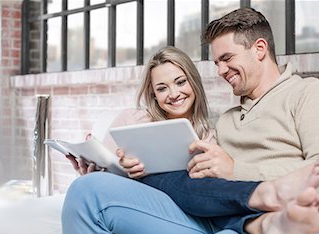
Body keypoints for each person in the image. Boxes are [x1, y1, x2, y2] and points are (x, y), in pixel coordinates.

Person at [61, 9, 319, 234]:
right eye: (217, 62)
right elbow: (207, 188)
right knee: (89, 191)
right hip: (227, 221)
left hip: (296, 230)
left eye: (227, 59)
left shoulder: (307, 93)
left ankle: (267, 203)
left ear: (259, 49)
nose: (220, 71)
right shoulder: (227, 121)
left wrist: (236, 170)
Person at [65, 46, 215, 176]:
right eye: (162, 88)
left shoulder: (208, 138)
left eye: (181, 82)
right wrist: (90, 173)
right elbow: (103, 172)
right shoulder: (131, 120)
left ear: (194, 82)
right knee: (83, 186)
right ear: (154, 95)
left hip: (168, 205)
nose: (174, 94)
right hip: (123, 195)